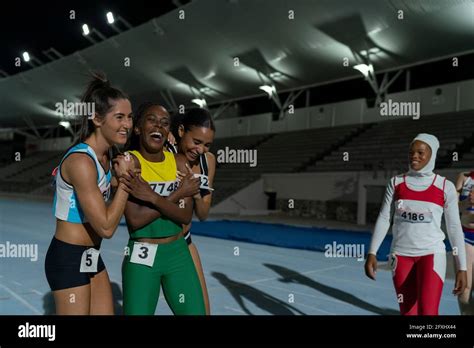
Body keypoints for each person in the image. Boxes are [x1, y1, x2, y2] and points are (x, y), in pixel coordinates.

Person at [45, 73, 135, 315]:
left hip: (91, 255)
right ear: (96, 118)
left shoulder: (107, 156)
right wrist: (125, 181)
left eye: (129, 117)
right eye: (119, 117)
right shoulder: (81, 162)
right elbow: (106, 228)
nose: (127, 124)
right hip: (67, 258)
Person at [364, 133, 467, 315]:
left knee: (428, 311)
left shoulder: (445, 187)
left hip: (432, 255)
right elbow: (384, 218)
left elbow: (454, 229)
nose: (414, 156)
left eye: (421, 152)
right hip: (400, 256)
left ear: (432, 155)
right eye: (411, 152)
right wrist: (372, 252)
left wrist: (462, 268)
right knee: (407, 311)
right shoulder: (396, 183)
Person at [121, 102, 205, 315]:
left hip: (177, 253)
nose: (158, 126)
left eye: (164, 123)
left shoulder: (179, 162)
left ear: (168, 131)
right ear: (138, 128)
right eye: (152, 120)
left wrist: (151, 196)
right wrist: (177, 194)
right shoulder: (130, 162)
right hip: (142, 254)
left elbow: (185, 215)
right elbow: (136, 220)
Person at [167, 107, 216, 315]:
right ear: (180, 131)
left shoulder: (208, 161)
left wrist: (194, 192)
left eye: (207, 145)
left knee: (202, 312)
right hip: (153, 244)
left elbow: (203, 214)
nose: (201, 150)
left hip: (184, 242)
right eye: (196, 142)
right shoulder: (162, 153)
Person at [455, 170, 474, 314]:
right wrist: (466, 202)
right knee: (464, 288)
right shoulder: (464, 177)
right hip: (466, 236)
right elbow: (452, 207)